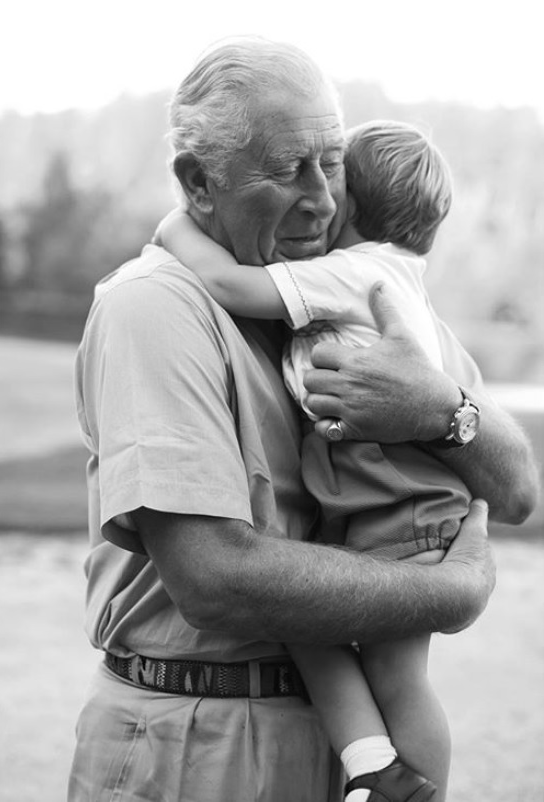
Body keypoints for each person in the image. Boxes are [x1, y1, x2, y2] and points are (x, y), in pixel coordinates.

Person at [68, 37, 537, 802]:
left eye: (332, 164)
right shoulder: (153, 307)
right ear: (199, 182)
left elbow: (516, 491)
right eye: (289, 169)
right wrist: (449, 592)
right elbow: (217, 579)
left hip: (336, 731)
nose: (322, 198)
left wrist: (442, 410)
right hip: (196, 738)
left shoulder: (350, 293)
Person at [155, 118, 472, 801]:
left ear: (348, 203)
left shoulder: (357, 273)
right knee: (302, 626)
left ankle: (421, 789)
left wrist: (177, 226)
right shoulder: (390, 274)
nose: (315, 196)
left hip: (400, 500)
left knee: (396, 671)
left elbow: (233, 287)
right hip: (370, 497)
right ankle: (373, 768)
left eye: (330, 177)